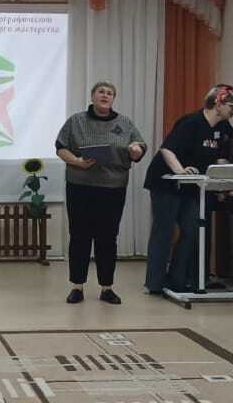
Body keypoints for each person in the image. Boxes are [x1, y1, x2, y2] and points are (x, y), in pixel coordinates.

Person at [143, 84, 233, 294]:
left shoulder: (222, 126)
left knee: (192, 230)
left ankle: (177, 281)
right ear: (217, 103)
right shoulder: (191, 122)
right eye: (231, 105)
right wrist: (180, 170)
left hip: (192, 184)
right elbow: (167, 149)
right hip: (166, 182)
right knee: (164, 231)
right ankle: (155, 284)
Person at [55, 81, 147, 304]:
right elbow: (60, 147)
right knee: (80, 236)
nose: (105, 96)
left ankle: (107, 288)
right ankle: (77, 286)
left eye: (110, 93)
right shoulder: (76, 121)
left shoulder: (124, 123)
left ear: (113, 98)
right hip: (80, 186)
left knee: (107, 237)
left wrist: (136, 150)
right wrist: (77, 161)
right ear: (92, 96)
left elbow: (139, 148)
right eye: (101, 92)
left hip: (113, 188)